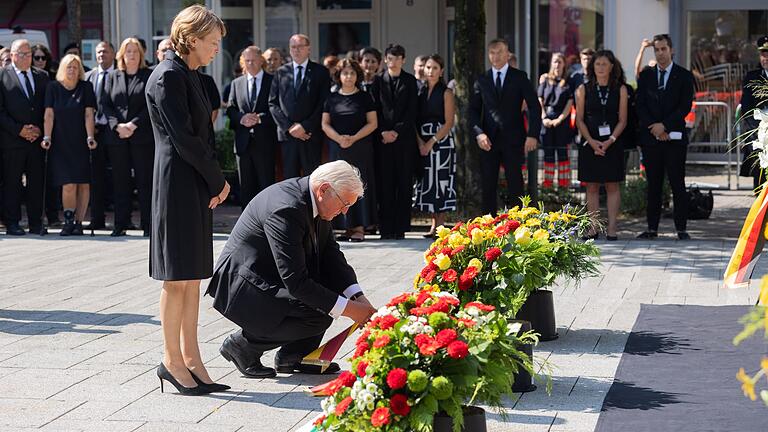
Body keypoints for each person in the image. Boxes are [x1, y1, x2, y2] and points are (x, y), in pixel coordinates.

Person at [206, 160, 377, 378]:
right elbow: (296, 282)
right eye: (345, 203)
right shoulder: (286, 208)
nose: (345, 212)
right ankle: (243, 346)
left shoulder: (315, 199)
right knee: (320, 310)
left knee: (326, 297)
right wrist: (351, 310)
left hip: (268, 275)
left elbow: (331, 256)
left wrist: (358, 298)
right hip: (243, 285)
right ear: (324, 189)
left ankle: (294, 356)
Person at [145, 4, 231, 396]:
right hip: (177, 183)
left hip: (192, 182)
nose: (216, 49)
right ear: (192, 39)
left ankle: (192, 359)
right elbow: (185, 140)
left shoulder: (190, 74)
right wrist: (218, 181)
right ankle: (170, 360)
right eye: (212, 42)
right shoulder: (167, 77)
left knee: (193, 276)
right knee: (176, 276)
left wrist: (212, 181)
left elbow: (202, 137)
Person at [470, 38, 541, 215]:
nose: (496, 56)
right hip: (488, 140)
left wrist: (533, 135)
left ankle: (518, 226)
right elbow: (473, 110)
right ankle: (489, 227)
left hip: (513, 139)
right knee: (488, 184)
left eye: (500, 52)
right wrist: (479, 133)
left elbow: (535, 106)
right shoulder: (482, 79)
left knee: (516, 184)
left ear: (507, 54)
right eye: (492, 52)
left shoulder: (519, 77)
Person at [636, 34, 695, 240]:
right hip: (652, 138)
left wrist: (665, 126)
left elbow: (684, 106)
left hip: (674, 139)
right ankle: (652, 228)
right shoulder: (646, 76)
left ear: (671, 50)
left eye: (663, 49)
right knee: (654, 184)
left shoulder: (685, 76)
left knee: (677, 183)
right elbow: (640, 104)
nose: (660, 53)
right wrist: (655, 128)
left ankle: (681, 228)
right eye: (657, 50)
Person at [101, 38, 153, 237]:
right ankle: (121, 223)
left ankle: (148, 224)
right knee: (120, 181)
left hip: (141, 136)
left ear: (141, 54)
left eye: (135, 51)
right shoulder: (113, 76)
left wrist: (133, 124)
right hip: (117, 137)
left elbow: (151, 104)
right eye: (128, 51)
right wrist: (117, 126)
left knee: (144, 182)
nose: (131, 55)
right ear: (121, 54)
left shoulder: (147, 75)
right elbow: (105, 104)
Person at [321, 58, 378, 242]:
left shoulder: (364, 97)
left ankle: (359, 227)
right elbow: (325, 124)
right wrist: (339, 138)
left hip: (360, 147)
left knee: (359, 186)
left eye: (352, 73)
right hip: (338, 148)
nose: (348, 76)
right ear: (339, 76)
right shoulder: (331, 98)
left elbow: (373, 123)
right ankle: (345, 227)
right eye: (345, 73)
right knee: (338, 186)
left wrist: (353, 138)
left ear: (357, 76)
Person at [41, 54, 97, 236]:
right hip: (61, 141)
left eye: (75, 67)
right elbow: (49, 115)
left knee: (83, 183)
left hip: (81, 141)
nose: (72, 70)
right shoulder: (53, 88)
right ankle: (68, 220)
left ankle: (79, 222)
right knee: (68, 184)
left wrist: (90, 136)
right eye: (69, 67)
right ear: (63, 69)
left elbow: (89, 114)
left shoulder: (86, 87)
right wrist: (47, 136)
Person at [575, 50, 628, 241]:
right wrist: (591, 142)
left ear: (612, 66)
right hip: (590, 143)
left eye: (604, 64)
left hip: (612, 142)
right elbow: (579, 120)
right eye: (597, 64)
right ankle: (593, 227)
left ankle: (612, 227)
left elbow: (623, 119)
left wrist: (610, 140)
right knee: (592, 186)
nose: (601, 68)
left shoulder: (620, 89)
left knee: (612, 185)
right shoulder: (583, 89)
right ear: (592, 67)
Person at [0, 39, 49, 235]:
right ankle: (12, 222)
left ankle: (36, 222)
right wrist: (19, 130)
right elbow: (1, 112)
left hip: (36, 140)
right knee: (12, 183)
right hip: (12, 140)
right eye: (22, 54)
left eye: (29, 54)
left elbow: (47, 107)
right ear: (12, 56)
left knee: (36, 183)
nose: (27, 57)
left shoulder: (42, 76)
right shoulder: (2, 76)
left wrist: (38, 129)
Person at [371, 43, 418, 240]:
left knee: (404, 183)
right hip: (382, 140)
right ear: (385, 60)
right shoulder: (377, 81)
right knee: (385, 184)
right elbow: (374, 108)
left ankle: (400, 227)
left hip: (404, 140)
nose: (394, 61)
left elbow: (412, 110)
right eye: (390, 58)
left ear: (403, 60)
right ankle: (385, 227)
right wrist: (383, 131)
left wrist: (397, 131)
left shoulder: (410, 81)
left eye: (398, 58)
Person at [269, 34, 330, 179]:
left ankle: (311, 203)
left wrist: (305, 126)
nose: (296, 50)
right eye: (293, 47)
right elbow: (272, 103)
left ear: (308, 49)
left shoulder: (320, 72)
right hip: (288, 136)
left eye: (300, 47)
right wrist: (290, 127)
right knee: (290, 179)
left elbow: (324, 103)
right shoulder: (281, 72)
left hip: (310, 135)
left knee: (312, 179)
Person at [226, 46, 277, 208]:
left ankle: (267, 224)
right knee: (245, 188)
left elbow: (278, 109)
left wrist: (259, 119)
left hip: (266, 143)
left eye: (254, 60)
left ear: (261, 60)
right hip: (243, 144)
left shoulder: (273, 81)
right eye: (247, 61)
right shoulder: (236, 83)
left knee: (266, 187)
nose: (251, 64)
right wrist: (242, 118)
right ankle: (247, 227)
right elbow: (230, 109)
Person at [414, 54, 456, 236]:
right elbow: (414, 120)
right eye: (428, 67)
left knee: (442, 180)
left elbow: (449, 123)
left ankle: (440, 225)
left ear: (441, 71)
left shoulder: (446, 92)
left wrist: (431, 142)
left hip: (441, 142)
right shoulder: (420, 92)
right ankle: (433, 223)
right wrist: (420, 143)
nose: (430, 71)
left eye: (435, 68)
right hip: (422, 141)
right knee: (428, 181)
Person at [84, 41, 115, 231]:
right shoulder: (88, 76)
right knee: (95, 177)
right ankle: (97, 218)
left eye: (105, 51)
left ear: (113, 54)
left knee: (119, 177)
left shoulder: (118, 75)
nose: (101, 54)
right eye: (98, 52)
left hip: (113, 132)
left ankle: (121, 219)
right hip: (93, 133)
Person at [538, 52, 573, 189]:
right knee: (548, 153)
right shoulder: (545, 79)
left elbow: (570, 103)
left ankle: (564, 186)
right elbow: (539, 99)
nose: (557, 64)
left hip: (561, 121)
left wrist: (559, 119)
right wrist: (543, 117)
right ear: (551, 64)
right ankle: (548, 186)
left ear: (564, 64)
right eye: (554, 61)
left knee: (562, 153)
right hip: (546, 119)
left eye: (560, 62)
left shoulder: (568, 81)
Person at [739, 36, 768, 190]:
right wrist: (760, 130)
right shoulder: (752, 77)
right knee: (760, 182)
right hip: (759, 136)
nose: (766, 58)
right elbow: (747, 108)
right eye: (763, 54)